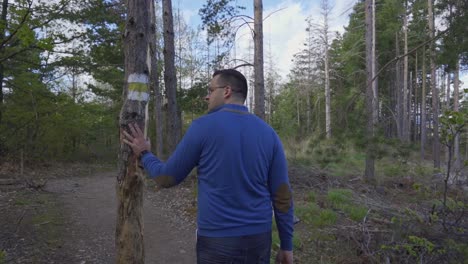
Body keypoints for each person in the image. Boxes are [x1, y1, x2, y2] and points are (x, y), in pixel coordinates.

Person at [123, 69, 294, 264]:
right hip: (258, 240)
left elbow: (166, 178)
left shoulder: (202, 127)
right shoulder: (269, 133)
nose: (207, 96)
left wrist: (144, 154)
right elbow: (282, 195)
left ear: (227, 91)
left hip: (217, 241)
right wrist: (287, 245)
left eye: (210, 90)